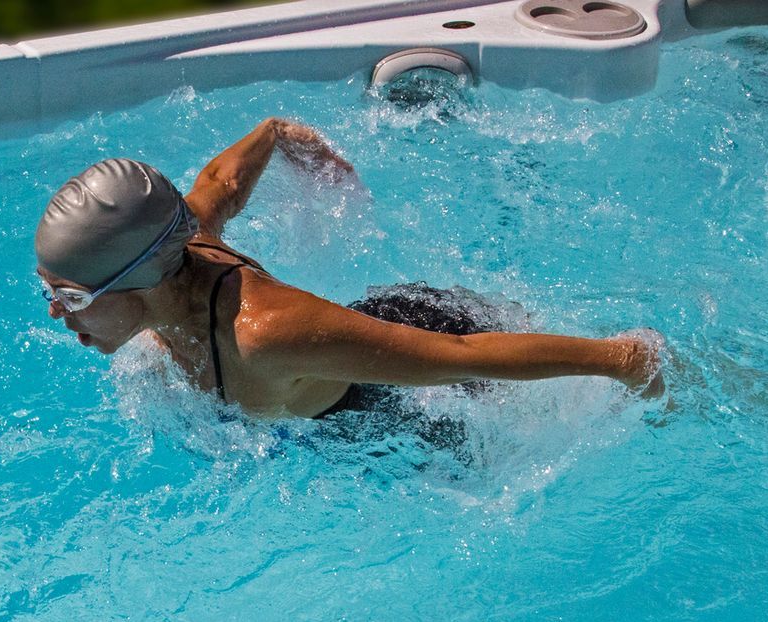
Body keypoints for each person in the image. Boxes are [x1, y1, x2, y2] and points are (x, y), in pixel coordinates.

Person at [33, 117, 663, 421]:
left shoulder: (265, 333)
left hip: (402, 408)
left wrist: (622, 363)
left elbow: (460, 355)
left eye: (71, 296)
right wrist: (278, 135)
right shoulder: (177, 244)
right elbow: (219, 184)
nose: (57, 313)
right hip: (355, 339)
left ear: (139, 278)